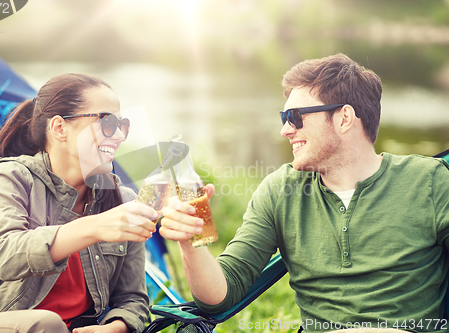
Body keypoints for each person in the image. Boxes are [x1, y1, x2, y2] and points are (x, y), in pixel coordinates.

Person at [159, 54, 449, 333]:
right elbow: (220, 294)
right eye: (284, 117)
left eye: (295, 116)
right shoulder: (280, 191)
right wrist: (189, 240)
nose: (285, 129)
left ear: (344, 118)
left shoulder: (430, 181)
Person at [0, 73, 157, 333]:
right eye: (106, 122)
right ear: (59, 128)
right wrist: (94, 227)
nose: (118, 135)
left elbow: (133, 298)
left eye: (122, 124)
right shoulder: (12, 176)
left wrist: (116, 327)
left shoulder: (120, 200)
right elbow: (6, 257)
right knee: (46, 324)